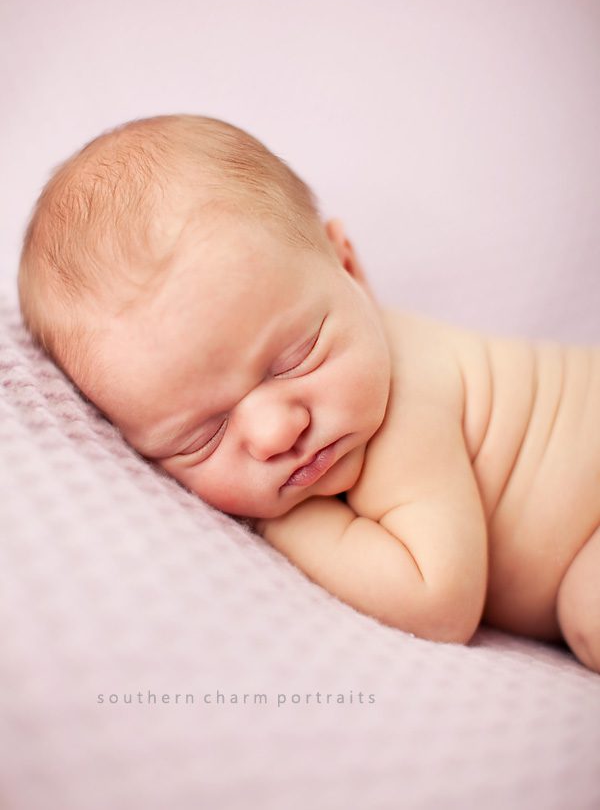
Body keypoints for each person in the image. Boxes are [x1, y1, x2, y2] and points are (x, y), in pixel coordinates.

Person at [17, 114, 600, 673]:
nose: (276, 432)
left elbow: (438, 602)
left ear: (350, 268)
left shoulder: (407, 402)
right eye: (203, 434)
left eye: (296, 358)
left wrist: (277, 526)